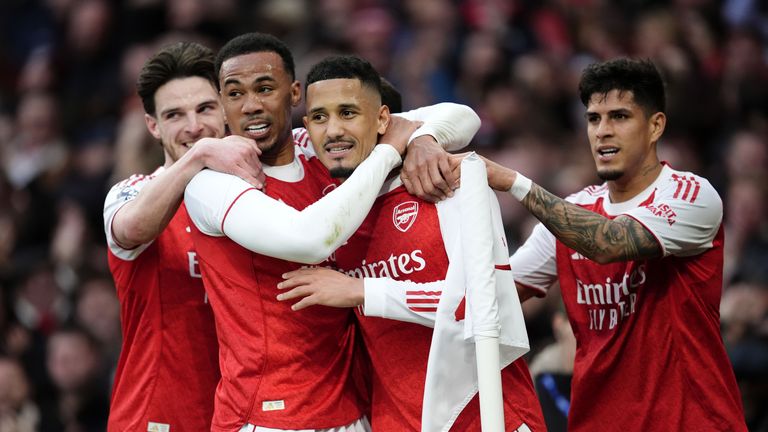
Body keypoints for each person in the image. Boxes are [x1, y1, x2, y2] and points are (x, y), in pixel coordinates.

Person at [183, 33, 480, 432]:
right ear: (221, 105)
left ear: (294, 94)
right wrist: (391, 150)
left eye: (265, 89)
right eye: (234, 94)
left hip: (351, 409)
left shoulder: (321, 148)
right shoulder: (210, 185)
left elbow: (462, 116)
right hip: (266, 417)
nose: (251, 105)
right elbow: (309, 240)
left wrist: (422, 138)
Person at [277, 55, 546, 431]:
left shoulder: (448, 181)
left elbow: (485, 303)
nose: (334, 129)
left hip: (485, 416)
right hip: (395, 420)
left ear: (385, 121)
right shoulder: (332, 211)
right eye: (320, 117)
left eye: (350, 113)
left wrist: (363, 291)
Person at [480, 58, 748, 431]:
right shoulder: (572, 210)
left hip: (691, 422)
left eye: (620, 117)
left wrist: (515, 184)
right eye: (594, 119)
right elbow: (489, 294)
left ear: (655, 126)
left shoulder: (692, 196)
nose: (603, 131)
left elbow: (609, 242)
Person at [103, 41, 264, 431]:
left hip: (243, 416)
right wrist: (201, 155)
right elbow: (133, 228)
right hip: (157, 417)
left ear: (226, 110)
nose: (193, 127)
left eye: (206, 109)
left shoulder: (258, 197)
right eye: (175, 115)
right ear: (153, 126)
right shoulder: (133, 192)